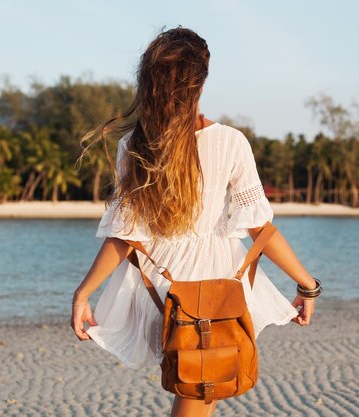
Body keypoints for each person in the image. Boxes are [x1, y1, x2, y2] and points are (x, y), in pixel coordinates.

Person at [70, 26, 319, 417]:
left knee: (202, 388)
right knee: (202, 389)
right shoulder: (230, 142)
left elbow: (124, 237)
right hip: (217, 285)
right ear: (199, 83)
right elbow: (259, 229)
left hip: (164, 286)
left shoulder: (135, 145)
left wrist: (84, 293)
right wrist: (308, 286)